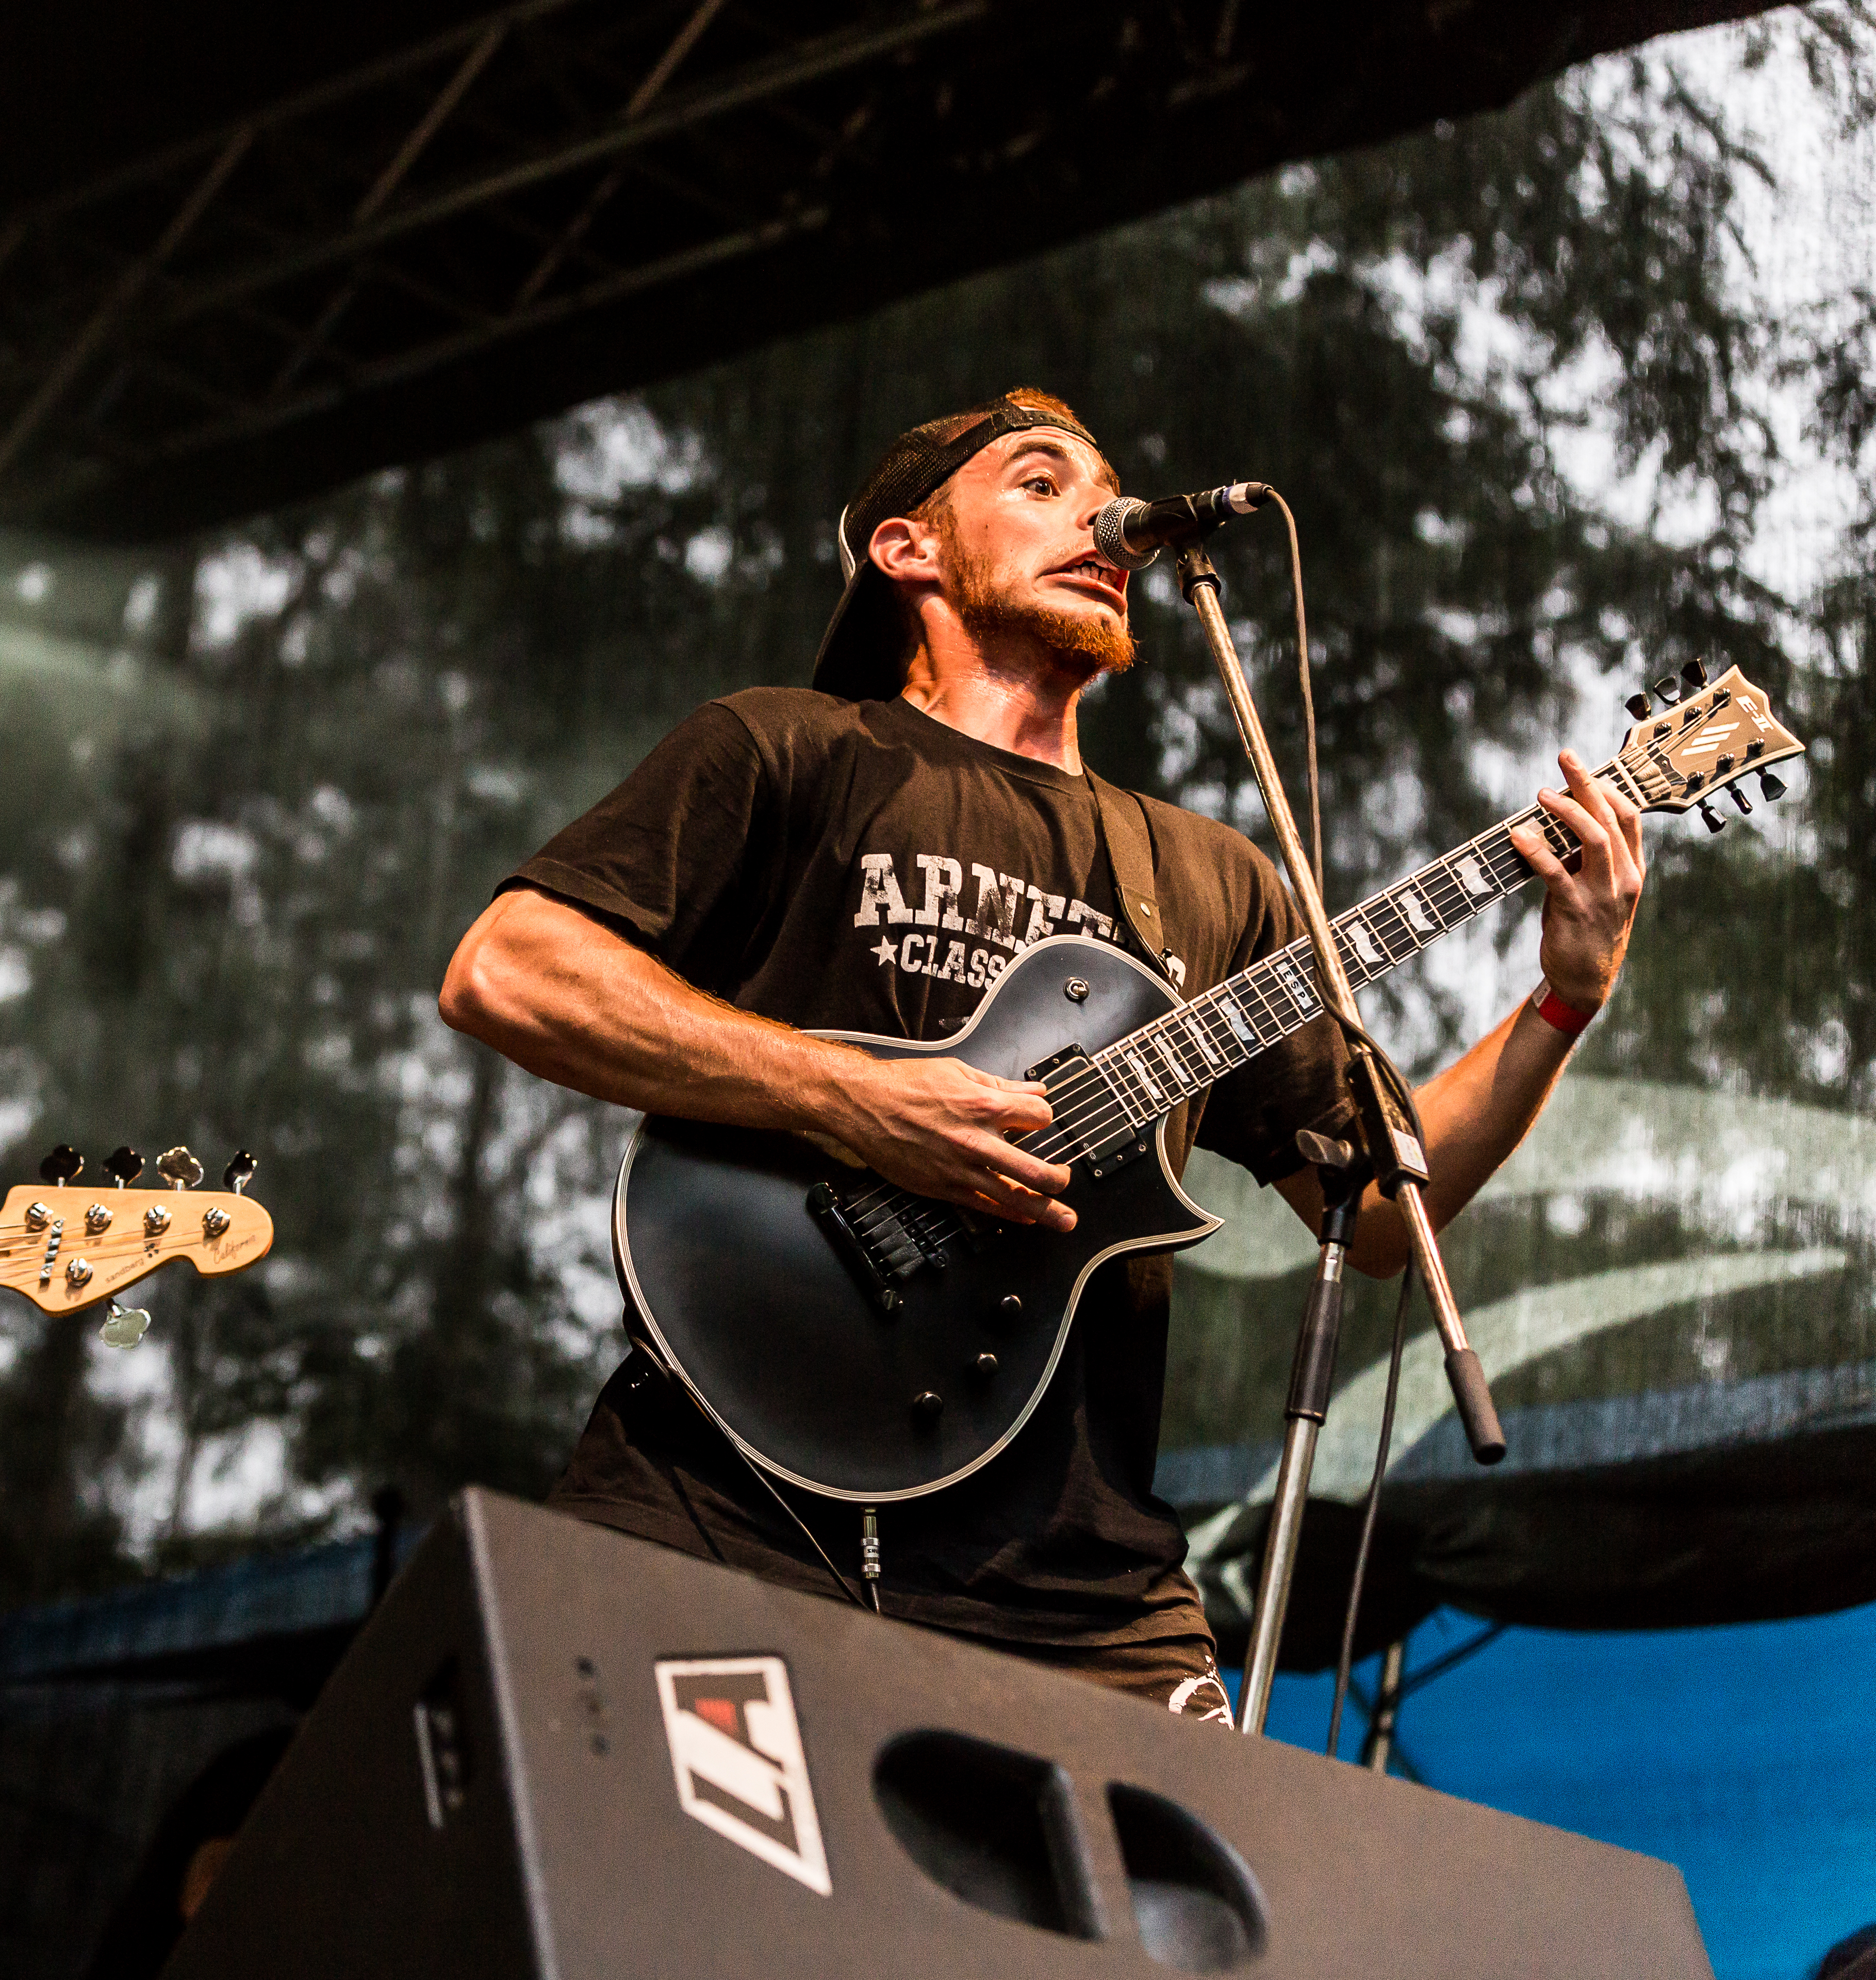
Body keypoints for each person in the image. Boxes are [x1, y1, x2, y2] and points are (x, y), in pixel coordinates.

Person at [437, 388, 1644, 1721]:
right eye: (1040, 483)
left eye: (1111, 495)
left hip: (1075, 1578)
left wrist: (1561, 1001)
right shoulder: (789, 750)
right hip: (725, 1492)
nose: (1103, 520)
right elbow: (510, 970)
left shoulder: (1209, 874)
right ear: (908, 550)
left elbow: (1371, 1218)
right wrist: (858, 1099)